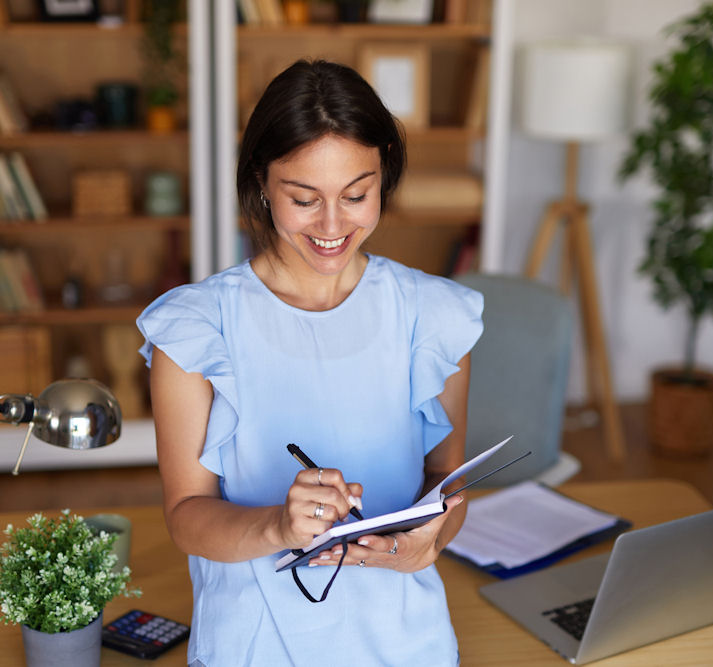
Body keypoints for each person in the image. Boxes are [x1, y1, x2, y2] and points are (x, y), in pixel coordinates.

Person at [137, 59, 483, 666]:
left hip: (407, 640)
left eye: (356, 195)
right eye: (304, 198)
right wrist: (278, 527)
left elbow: (445, 482)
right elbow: (187, 516)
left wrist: (425, 545)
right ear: (262, 184)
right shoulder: (196, 328)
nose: (331, 225)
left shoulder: (435, 315)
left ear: (385, 176)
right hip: (255, 643)